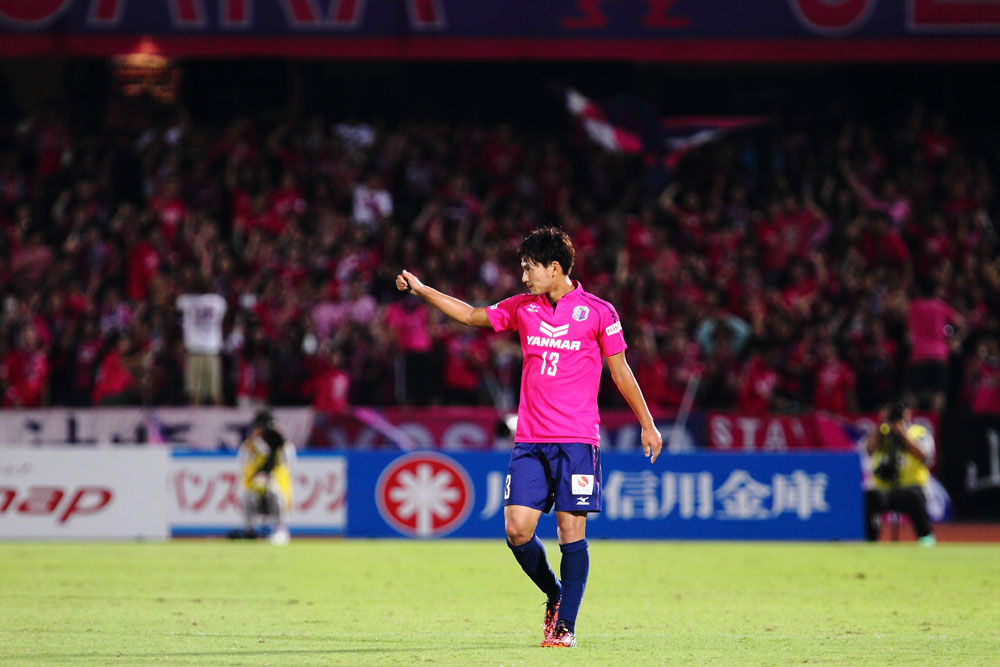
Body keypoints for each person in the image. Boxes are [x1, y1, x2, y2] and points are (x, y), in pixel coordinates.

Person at [396, 226, 662, 648]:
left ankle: (565, 626)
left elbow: (620, 371)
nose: (523, 277)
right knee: (517, 530)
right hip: (531, 441)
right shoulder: (523, 308)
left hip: (577, 442)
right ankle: (555, 593)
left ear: (554, 268)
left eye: (529, 268)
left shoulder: (599, 312)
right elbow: (470, 315)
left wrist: (647, 422)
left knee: (571, 533)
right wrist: (423, 290)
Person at [864, 401, 936, 546]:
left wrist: (902, 434)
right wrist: (881, 424)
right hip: (885, 490)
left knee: (914, 496)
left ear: (908, 414)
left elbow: (924, 455)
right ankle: (871, 540)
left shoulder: (918, 432)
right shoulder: (882, 432)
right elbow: (869, 449)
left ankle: (925, 537)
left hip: (910, 489)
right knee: (870, 497)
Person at [235, 410, 296, 545]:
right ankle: (249, 531)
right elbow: (241, 461)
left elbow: (288, 461)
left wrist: (280, 441)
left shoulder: (282, 445)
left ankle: (280, 530)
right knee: (248, 495)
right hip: (256, 492)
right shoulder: (251, 445)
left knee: (274, 491)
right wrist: (254, 441)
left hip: (278, 492)